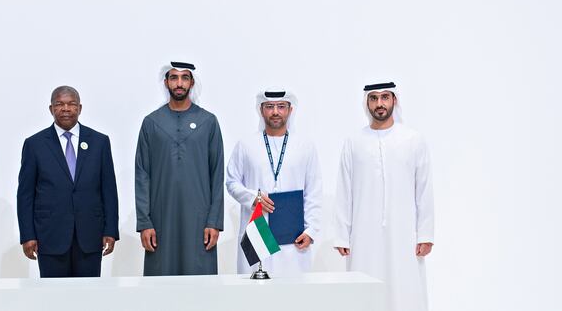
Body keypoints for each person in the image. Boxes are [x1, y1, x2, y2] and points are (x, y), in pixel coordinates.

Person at [334, 82, 434, 311]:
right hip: (363, 235)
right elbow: (344, 189)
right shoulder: (354, 142)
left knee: (405, 289)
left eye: (385, 97)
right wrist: (342, 235)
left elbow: (424, 189)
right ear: (367, 102)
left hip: (405, 234)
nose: (379, 104)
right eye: (374, 98)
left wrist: (425, 233)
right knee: (364, 291)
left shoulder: (413, 140)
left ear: (394, 100)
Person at [17, 86, 119, 277]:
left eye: (71, 104)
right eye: (60, 104)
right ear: (51, 109)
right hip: (50, 236)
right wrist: (28, 235)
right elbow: (25, 194)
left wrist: (111, 230)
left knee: (88, 298)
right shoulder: (34, 144)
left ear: (79, 108)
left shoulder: (99, 142)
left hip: (90, 235)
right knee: (53, 298)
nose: (66, 109)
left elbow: (109, 190)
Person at [135, 61, 224, 276]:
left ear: (192, 82)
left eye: (184, 78)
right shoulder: (151, 123)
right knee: (161, 284)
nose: (179, 83)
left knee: (200, 284)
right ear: (166, 82)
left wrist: (214, 222)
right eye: (174, 77)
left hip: (200, 220)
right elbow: (142, 174)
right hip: (161, 220)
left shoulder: (208, 122)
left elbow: (217, 173)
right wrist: (144, 222)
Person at [226, 89, 322, 275]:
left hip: (294, 237)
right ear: (261, 110)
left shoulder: (305, 146)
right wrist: (253, 197)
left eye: (281, 106)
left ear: (290, 110)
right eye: (269, 107)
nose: (275, 112)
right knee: (256, 295)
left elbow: (314, 191)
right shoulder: (246, 145)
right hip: (257, 230)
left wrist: (311, 231)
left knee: (292, 295)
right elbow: (231, 182)